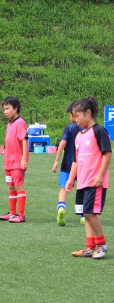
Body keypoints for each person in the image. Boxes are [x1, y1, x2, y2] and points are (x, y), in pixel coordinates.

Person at [66, 96, 112, 259]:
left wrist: (101, 175)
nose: (76, 119)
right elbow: (76, 161)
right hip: (82, 182)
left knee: (90, 213)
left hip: (94, 182)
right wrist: (71, 179)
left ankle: (101, 244)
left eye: (77, 116)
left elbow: (107, 154)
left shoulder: (99, 131)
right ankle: (90, 247)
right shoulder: (79, 135)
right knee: (86, 214)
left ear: (88, 113)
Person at [0, 96, 28, 223]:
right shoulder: (10, 124)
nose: (5, 111)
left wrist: (24, 159)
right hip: (8, 163)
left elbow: (24, 141)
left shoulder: (20, 123)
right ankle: (12, 213)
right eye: (4, 109)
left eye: (8, 108)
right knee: (11, 187)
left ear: (15, 108)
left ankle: (21, 215)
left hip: (17, 162)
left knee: (18, 186)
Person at [52, 101, 82, 226]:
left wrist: (56, 160)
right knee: (82, 189)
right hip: (82, 165)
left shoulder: (69, 128)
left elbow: (62, 144)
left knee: (64, 189)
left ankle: (61, 207)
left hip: (67, 164)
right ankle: (83, 216)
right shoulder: (86, 128)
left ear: (72, 114)